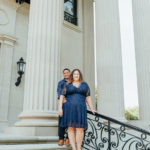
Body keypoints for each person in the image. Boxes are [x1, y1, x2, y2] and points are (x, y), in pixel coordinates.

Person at [58, 69, 96, 150]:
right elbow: (61, 96)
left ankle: (79, 148)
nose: (76, 75)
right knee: (71, 128)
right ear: (72, 75)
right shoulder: (67, 84)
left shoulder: (85, 85)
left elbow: (88, 97)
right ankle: (74, 148)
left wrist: (92, 108)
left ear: (80, 75)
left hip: (80, 109)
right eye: (75, 74)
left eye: (78, 74)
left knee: (80, 129)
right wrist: (60, 108)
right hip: (69, 109)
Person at [57, 68, 70, 146]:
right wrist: (63, 99)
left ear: (70, 73)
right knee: (61, 122)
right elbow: (59, 92)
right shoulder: (61, 83)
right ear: (63, 74)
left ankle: (67, 139)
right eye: (64, 73)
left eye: (67, 72)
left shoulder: (72, 82)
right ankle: (61, 139)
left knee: (70, 123)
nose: (66, 74)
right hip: (63, 104)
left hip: (71, 105)